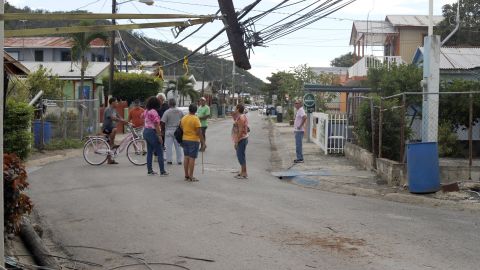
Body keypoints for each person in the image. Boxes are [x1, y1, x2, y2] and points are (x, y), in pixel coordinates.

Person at [142, 96, 169, 176]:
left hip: (146, 131)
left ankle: (150, 171)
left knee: (150, 152)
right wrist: (159, 135)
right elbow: (156, 125)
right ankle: (162, 171)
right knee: (160, 151)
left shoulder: (146, 111)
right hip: (152, 132)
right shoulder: (154, 112)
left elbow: (142, 116)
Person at [180, 104, 206, 182]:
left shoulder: (184, 118)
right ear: (196, 110)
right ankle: (191, 176)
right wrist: (203, 143)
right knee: (192, 158)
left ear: (189, 110)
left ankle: (186, 175)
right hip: (193, 140)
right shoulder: (196, 119)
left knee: (186, 157)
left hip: (185, 139)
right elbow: (199, 132)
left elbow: (181, 127)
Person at [103, 97, 127, 164]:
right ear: (112, 102)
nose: (117, 103)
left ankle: (109, 160)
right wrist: (120, 120)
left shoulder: (114, 110)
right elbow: (112, 118)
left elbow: (119, 116)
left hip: (111, 128)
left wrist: (125, 122)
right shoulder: (108, 109)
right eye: (116, 102)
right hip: (106, 128)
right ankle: (112, 144)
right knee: (114, 131)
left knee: (110, 145)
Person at [161, 98, 184, 165]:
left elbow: (162, 122)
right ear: (175, 103)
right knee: (178, 146)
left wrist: (162, 130)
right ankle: (179, 160)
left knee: (168, 147)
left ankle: (169, 160)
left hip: (169, 130)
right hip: (177, 130)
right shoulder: (180, 111)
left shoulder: (167, 112)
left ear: (169, 104)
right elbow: (183, 120)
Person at [232, 104, 249, 179]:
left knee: (240, 156)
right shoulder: (240, 116)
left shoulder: (241, 118)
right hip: (242, 138)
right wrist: (233, 114)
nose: (234, 109)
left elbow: (240, 130)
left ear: (238, 109)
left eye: (236, 108)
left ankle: (244, 173)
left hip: (241, 139)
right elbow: (235, 121)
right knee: (241, 155)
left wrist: (236, 141)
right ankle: (242, 171)